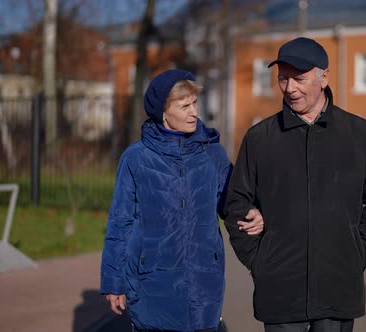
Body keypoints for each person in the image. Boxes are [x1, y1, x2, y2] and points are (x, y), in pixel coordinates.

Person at [224, 37, 366, 332]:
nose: (290, 88)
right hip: (279, 289)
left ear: (324, 77)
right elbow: (235, 204)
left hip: (338, 286)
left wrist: (361, 252)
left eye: (299, 79)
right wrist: (259, 260)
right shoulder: (259, 138)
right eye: (283, 79)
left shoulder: (360, 134)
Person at [99, 69, 264, 332]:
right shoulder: (135, 158)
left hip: (203, 276)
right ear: (163, 113)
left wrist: (252, 211)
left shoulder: (212, 153)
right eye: (184, 105)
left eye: (195, 103)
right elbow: (120, 222)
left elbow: (233, 201)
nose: (193, 112)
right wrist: (113, 282)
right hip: (151, 279)